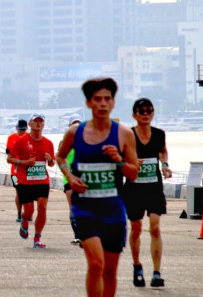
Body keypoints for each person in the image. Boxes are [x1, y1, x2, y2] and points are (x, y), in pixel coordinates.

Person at [56, 77, 139, 297]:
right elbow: (61, 157)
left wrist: (119, 160)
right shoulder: (75, 133)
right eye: (97, 99)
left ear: (113, 103)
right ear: (88, 103)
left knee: (110, 271)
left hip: (113, 210)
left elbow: (133, 174)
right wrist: (70, 177)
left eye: (107, 99)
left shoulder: (124, 134)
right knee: (96, 264)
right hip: (85, 208)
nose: (102, 103)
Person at [123, 98, 171, 288]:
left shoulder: (159, 134)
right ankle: (137, 266)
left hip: (153, 186)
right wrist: (130, 163)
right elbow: (119, 157)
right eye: (141, 111)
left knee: (155, 227)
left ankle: (157, 273)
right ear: (134, 114)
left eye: (149, 110)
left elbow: (163, 152)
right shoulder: (127, 134)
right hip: (134, 188)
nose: (145, 114)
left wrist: (165, 166)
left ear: (153, 113)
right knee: (135, 228)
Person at [7, 113, 55, 248]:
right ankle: (24, 220)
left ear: (44, 125)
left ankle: (37, 238)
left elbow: (52, 163)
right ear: (30, 124)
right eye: (35, 121)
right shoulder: (21, 141)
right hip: (25, 181)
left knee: (43, 207)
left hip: (42, 180)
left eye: (41, 122)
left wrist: (50, 159)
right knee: (29, 212)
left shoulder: (48, 143)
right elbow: (9, 158)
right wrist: (24, 162)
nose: (38, 124)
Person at [61, 114, 83, 245]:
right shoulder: (64, 142)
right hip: (68, 179)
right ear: (69, 127)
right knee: (73, 207)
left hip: (83, 178)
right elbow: (60, 158)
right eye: (73, 124)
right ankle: (77, 235)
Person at [6, 118, 28, 222]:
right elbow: (9, 154)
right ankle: (19, 213)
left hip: (28, 170)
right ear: (16, 128)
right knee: (19, 192)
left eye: (24, 130)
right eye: (20, 130)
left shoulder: (30, 138)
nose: (22, 132)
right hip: (15, 171)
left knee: (28, 192)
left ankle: (28, 212)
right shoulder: (11, 138)